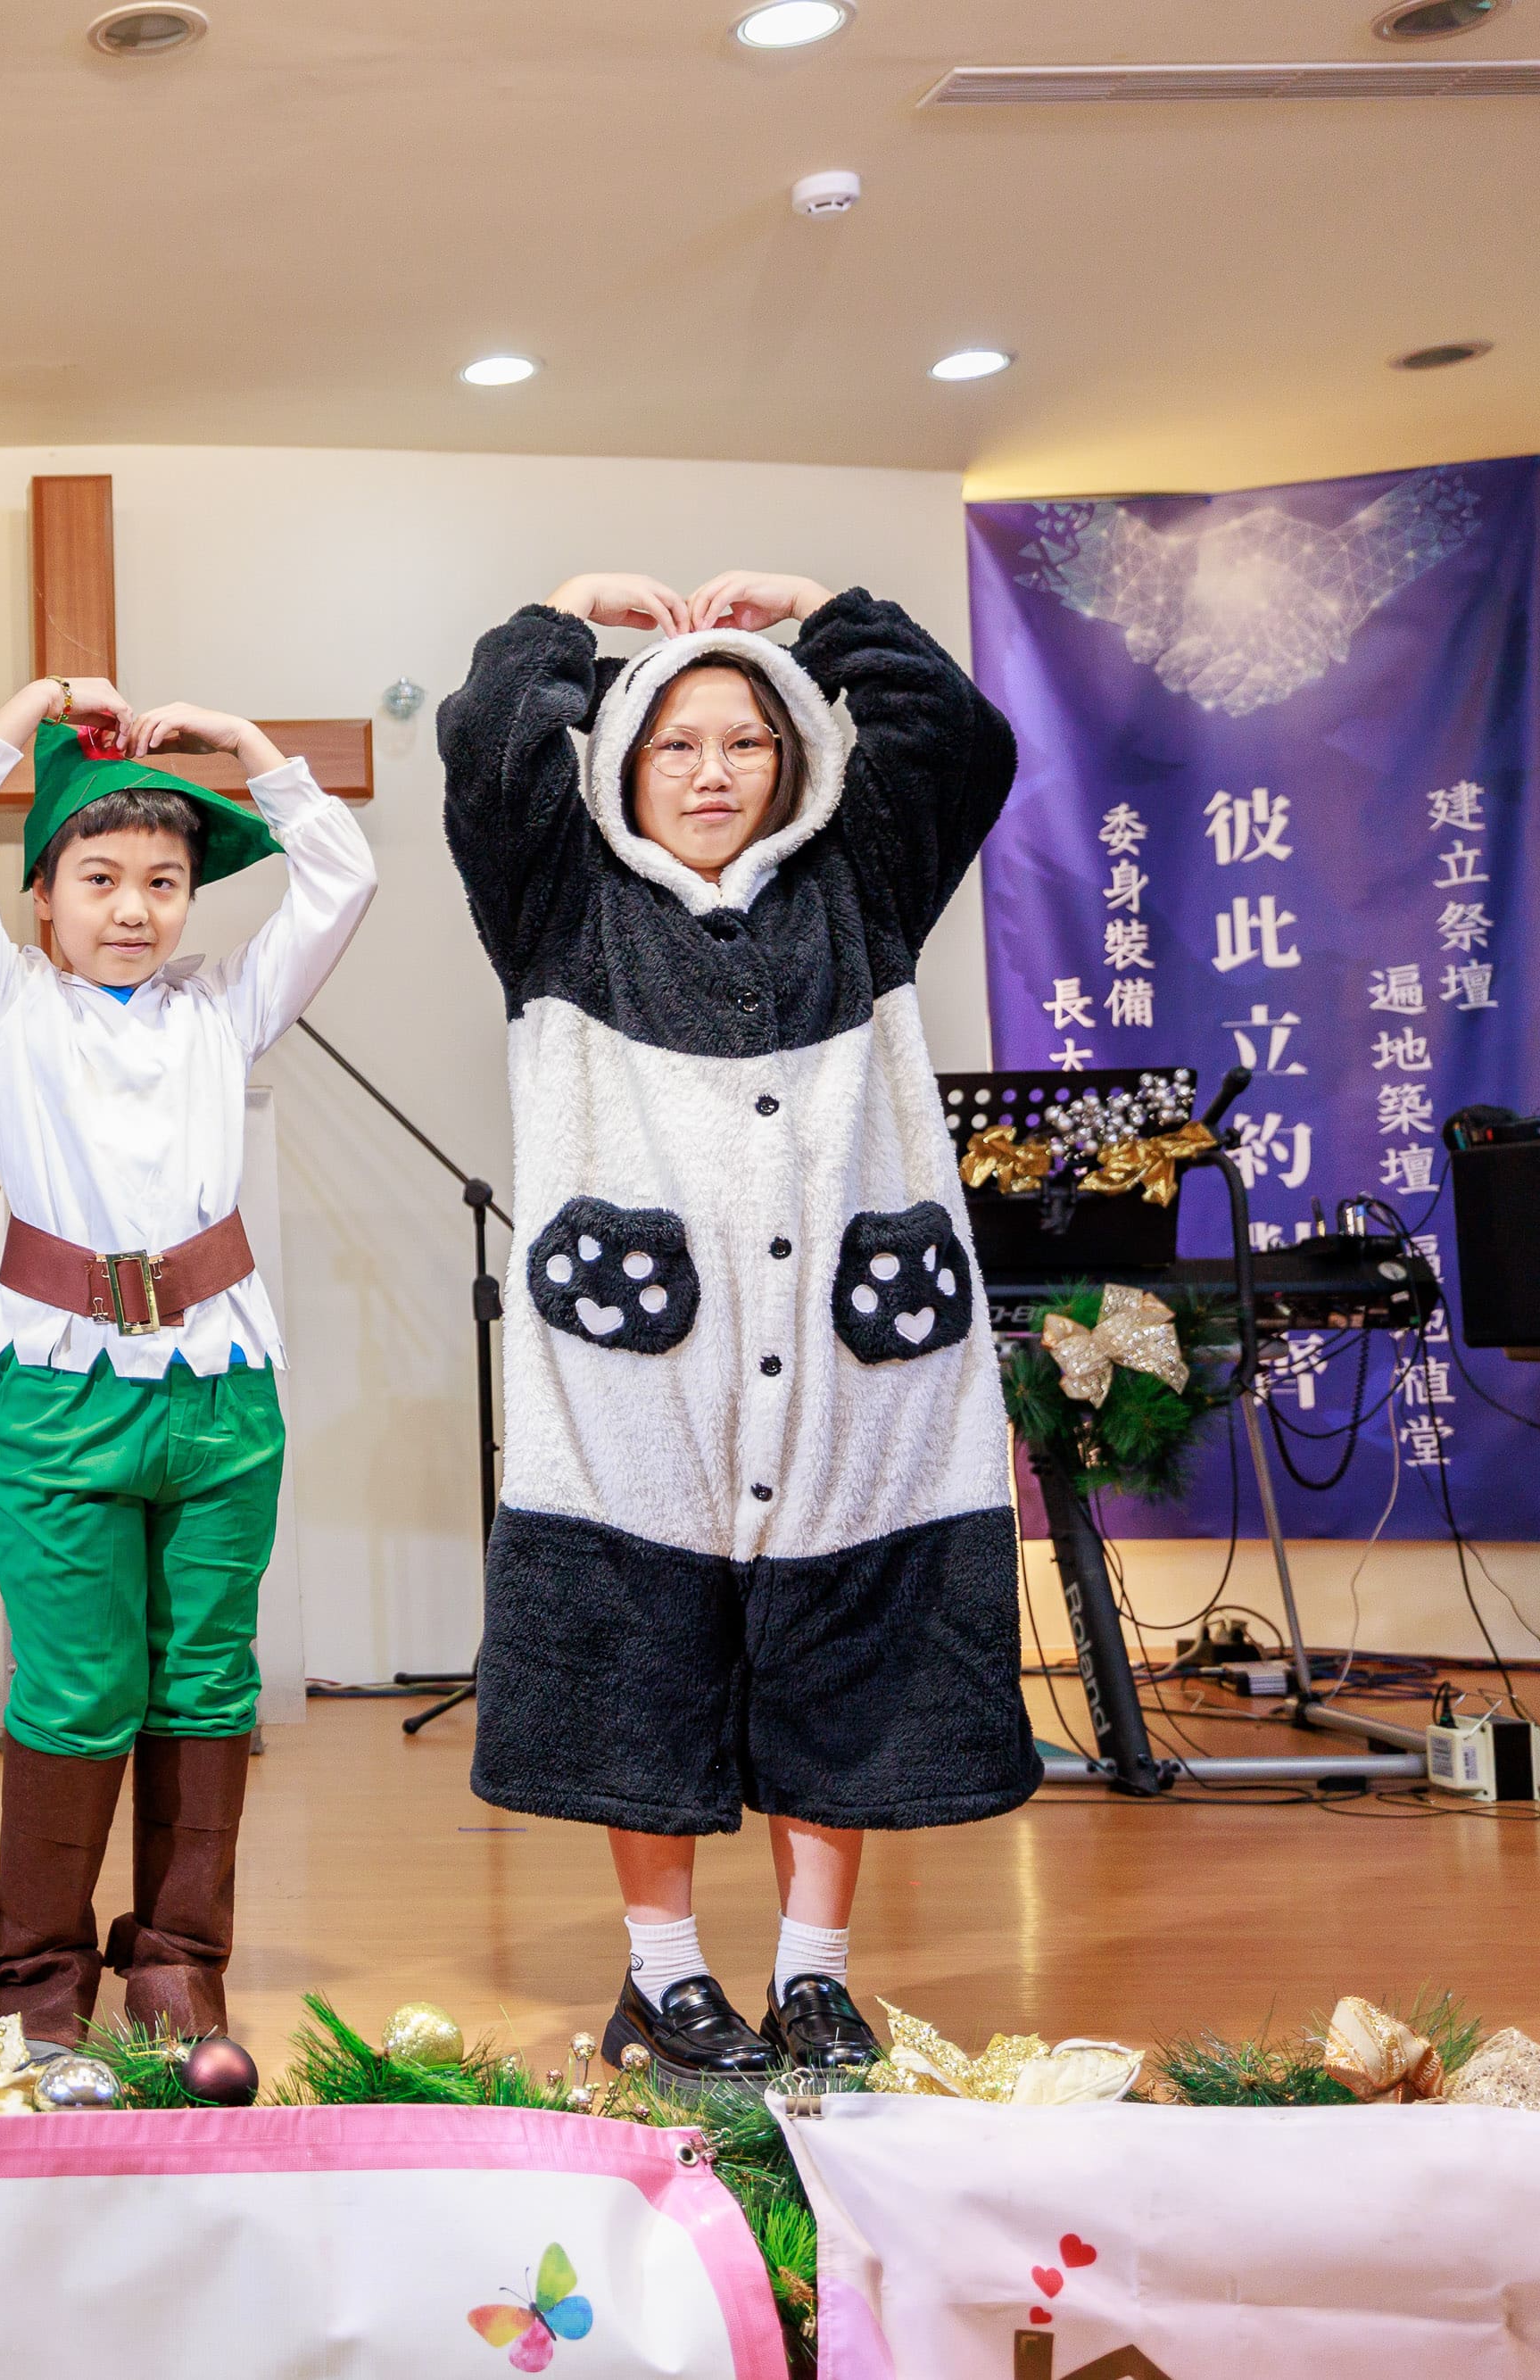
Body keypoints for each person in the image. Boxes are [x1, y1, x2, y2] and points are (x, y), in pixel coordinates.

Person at [438, 568, 1039, 2081]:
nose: (713, 773)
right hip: (637, 1378)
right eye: (678, 744)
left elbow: (958, 737)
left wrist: (828, 614)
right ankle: (663, 1978)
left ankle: (816, 1977)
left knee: (843, 1644)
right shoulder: (558, 898)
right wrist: (562, 615)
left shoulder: (866, 880)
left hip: (853, 1357)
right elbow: (491, 740)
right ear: (624, 759)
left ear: (797, 758)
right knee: (643, 1656)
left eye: (748, 743)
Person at [0, 676, 377, 2050]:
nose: (132, 909)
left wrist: (253, 750)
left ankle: (178, 1974)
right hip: (62, 1393)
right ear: (42, 894)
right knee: (72, 1686)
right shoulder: (2, 1003)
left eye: (164, 882)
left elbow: (341, 875)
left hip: (224, 1389)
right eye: (98, 878)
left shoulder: (224, 1006)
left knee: (208, 1681)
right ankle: (40, 1990)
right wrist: (32, 707)